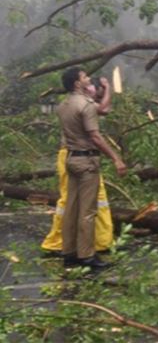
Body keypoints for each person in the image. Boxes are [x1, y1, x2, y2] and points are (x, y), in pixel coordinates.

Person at [56, 67, 126, 269]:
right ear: (78, 83)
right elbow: (95, 136)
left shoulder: (63, 105)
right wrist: (116, 158)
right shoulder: (85, 105)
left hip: (70, 160)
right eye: (84, 76)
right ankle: (87, 255)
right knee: (87, 211)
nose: (88, 79)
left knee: (71, 208)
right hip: (86, 162)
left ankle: (68, 253)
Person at [41, 77, 115, 256]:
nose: (90, 86)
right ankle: (59, 243)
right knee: (70, 201)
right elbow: (103, 109)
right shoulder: (78, 102)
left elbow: (102, 109)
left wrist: (104, 93)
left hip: (78, 156)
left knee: (96, 199)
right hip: (75, 155)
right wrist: (109, 89)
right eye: (86, 81)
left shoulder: (78, 103)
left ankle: (98, 242)